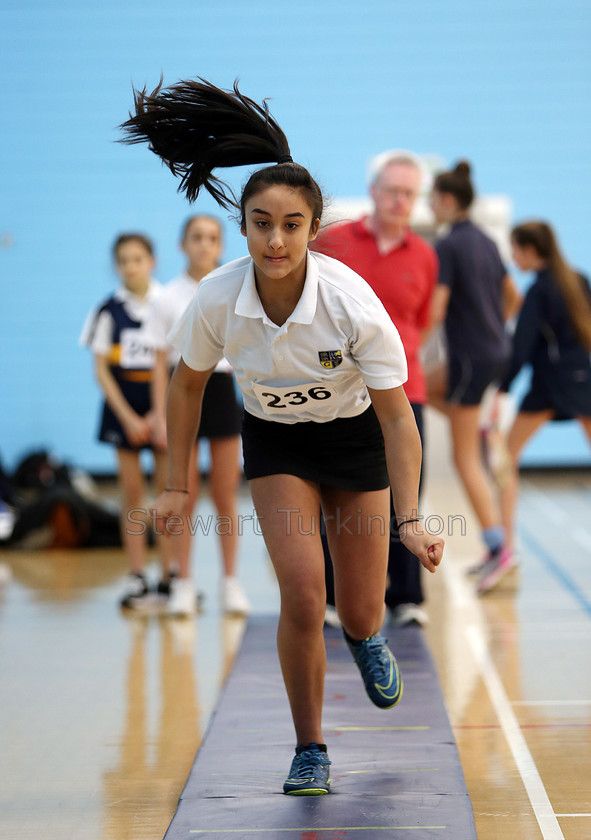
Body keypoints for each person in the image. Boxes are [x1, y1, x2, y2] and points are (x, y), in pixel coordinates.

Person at [120, 77, 444, 796]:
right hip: (276, 444)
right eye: (261, 222)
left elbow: (396, 414)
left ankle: (364, 639)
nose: (275, 238)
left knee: (358, 608)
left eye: (291, 224)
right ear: (242, 227)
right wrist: (177, 486)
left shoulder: (348, 301)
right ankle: (310, 749)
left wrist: (411, 517)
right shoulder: (216, 299)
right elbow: (185, 384)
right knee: (303, 595)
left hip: (355, 441)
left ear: (312, 229)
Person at [313, 150, 438, 627]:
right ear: (374, 191)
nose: (400, 200)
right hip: (341, 390)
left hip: (406, 391)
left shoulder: (425, 256)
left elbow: (421, 322)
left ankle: (406, 597)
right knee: (336, 495)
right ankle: (330, 596)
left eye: (409, 193)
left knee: (407, 496)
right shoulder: (334, 241)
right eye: (392, 190)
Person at [428, 161, 521, 594]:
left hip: (469, 357)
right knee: (421, 386)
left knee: (462, 458)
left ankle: (499, 547)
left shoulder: (448, 245)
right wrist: (492, 327)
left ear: (447, 200)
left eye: (431, 199)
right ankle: (480, 428)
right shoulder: (486, 240)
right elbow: (513, 298)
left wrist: (404, 344)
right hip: (496, 352)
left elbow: (437, 308)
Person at [150, 215, 250, 616]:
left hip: (223, 389)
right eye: (196, 238)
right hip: (183, 390)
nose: (204, 245)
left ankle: (229, 582)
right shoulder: (167, 297)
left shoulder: (234, 288)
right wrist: (160, 415)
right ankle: (184, 582)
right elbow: (160, 363)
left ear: (221, 243)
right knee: (183, 494)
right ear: (182, 245)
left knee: (226, 494)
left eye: (212, 238)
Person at [80, 233, 174, 609]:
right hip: (123, 410)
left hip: (162, 407)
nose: (130, 266)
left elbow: (177, 363)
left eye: (138, 258)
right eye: (123, 260)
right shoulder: (107, 311)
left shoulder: (167, 304)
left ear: (151, 261)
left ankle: (170, 576)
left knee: (166, 495)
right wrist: (129, 417)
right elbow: (101, 370)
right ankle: (137, 575)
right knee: (132, 495)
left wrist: (158, 414)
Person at [495, 221, 591, 587]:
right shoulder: (578, 280)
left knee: (505, 458)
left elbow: (521, 348)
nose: (514, 257)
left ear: (531, 251)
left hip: (550, 387)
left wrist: (502, 389)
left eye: (516, 250)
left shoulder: (538, 291)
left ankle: (505, 549)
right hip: (584, 380)